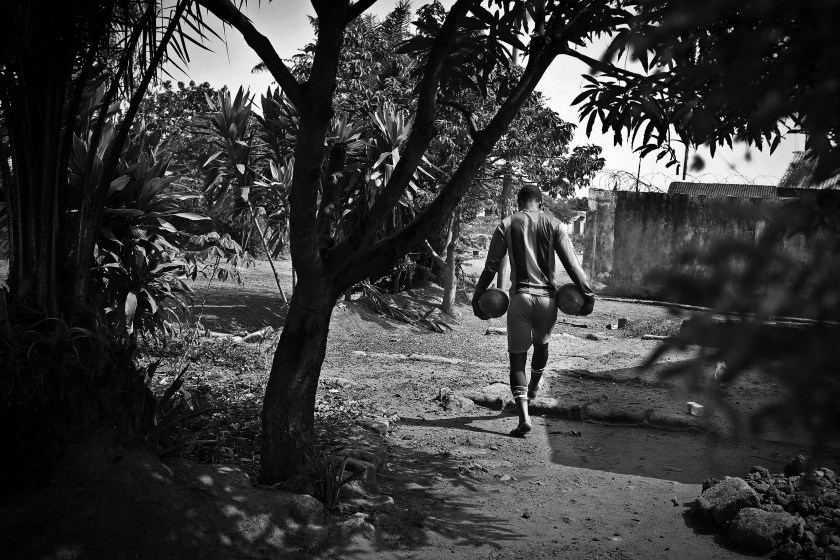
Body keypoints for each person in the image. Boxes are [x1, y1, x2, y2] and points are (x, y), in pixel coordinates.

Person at [472, 185, 595, 437]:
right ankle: (535, 386)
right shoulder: (555, 224)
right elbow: (572, 265)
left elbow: (490, 267)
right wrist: (588, 295)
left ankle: (524, 418)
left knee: (517, 359)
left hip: (519, 299)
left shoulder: (506, 224)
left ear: (519, 203)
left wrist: (476, 299)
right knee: (542, 345)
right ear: (540, 203)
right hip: (548, 300)